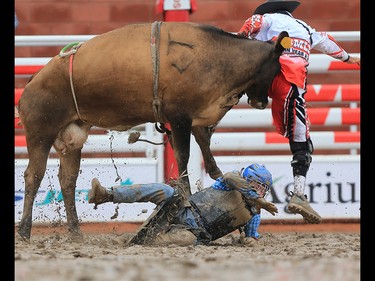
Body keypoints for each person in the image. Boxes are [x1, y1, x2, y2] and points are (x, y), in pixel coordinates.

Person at [236, 0, 360, 224]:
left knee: (250, 61)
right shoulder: (305, 29)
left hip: (264, 76)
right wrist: (349, 58)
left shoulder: (268, 19)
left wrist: (240, 36)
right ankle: (299, 194)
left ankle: (254, 95)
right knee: (302, 142)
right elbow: (328, 43)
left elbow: (255, 22)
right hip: (291, 83)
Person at [88, 163, 277, 246]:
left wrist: (249, 239)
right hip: (182, 208)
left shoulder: (254, 215)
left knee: (186, 240)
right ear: (247, 180)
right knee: (167, 190)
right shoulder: (229, 183)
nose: (260, 191)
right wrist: (255, 196)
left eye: (263, 189)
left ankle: (128, 241)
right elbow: (228, 176)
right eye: (256, 185)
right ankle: (106, 194)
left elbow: (251, 238)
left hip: (195, 233)